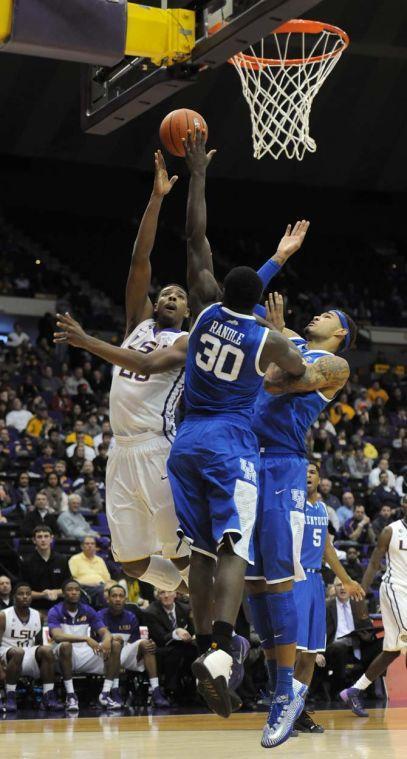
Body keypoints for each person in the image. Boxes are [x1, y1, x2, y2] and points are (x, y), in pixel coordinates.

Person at [165, 131, 307, 736]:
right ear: (261, 304)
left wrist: (197, 174)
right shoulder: (264, 337)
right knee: (232, 548)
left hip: (185, 443)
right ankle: (223, 647)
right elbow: (295, 371)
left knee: (200, 550)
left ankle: (204, 647)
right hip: (230, 446)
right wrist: (283, 347)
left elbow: (196, 239)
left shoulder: (203, 310)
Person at [55, 150, 191, 593]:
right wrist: (156, 199)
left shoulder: (186, 342)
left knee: (182, 552)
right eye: (165, 294)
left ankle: (216, 616)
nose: (169, 297)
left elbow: (148, 364)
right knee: (132, 563)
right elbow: (139, 262)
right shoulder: (138, 325)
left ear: (187, 311)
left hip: (159, 448)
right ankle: (189, 592)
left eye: (178, 296)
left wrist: (88, 342)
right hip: (120, 451)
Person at [245, 292, 356, 744]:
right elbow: (237, 308)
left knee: (277, 577)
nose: (318, 314)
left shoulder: (336, 367)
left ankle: (285, 689)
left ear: (340, 333)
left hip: (282, 465)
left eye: (328, 313)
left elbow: (276, 382)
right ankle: (279, 689)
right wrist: (278, 258)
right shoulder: (288, 338)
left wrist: (278, 340)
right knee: (251, 579)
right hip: (247, 457)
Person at [293, 462, 364, 733]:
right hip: (295, 579)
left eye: (312, 472)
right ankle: (282, 710)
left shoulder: (322, 510)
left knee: (311, 654)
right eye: (303, 472)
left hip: (316, 583)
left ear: (320, 479)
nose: (307, 476)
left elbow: (328, 550)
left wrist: (347, 579)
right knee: (295, 652)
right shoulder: (292, 506)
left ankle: (298, 711)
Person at [340, 497, 407, 716]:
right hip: (395, 588)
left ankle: (354, 691)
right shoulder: (391, 531)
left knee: (392, 651)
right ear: (404, 505)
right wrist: (361, 593)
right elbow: (374, 564)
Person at [48, 579, 122, 711]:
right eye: (70, 590)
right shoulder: (55, 610)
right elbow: (58, 636)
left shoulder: (88, 610)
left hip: (84, 654)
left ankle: (105, 694)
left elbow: (104, 631)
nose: (74, 592)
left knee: (115, 645)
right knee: (66, 645)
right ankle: (71, 695)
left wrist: (106, 639)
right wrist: (86, 638)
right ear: (64, 593)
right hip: (63, 655)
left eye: (77, 590)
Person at [96, 584, 169, 708]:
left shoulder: (131, 617)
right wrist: (113, 640)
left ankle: (156, 690)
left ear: (125, 599)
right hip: (103, 655)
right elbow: (97, 641)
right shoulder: (99, 615)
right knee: (115, 645)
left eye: (121, 596)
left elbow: (133, 642)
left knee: (147, 644)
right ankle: (114, 690)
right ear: (108, 599)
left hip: (125, 653)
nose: (118, 599)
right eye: (114, 596)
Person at [0, 582, 63, 711]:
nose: (25, 597)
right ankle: (10, 695)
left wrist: (47, 661)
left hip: (28, 653)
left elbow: (38, 643)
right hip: (6, 652)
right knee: (18, 652)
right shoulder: (3, 615)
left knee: (46, 650)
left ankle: (48, 695)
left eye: (28, 594)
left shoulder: (38, 615)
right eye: (21, 594)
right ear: (14, 597)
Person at [324, 577, 381, 698]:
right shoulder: (327, 606)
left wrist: (368, 636)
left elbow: (368, 627)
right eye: (339, 585)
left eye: (345, 585)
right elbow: (321, 631)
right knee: (340, 647)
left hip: (357, 645)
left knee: (381, 644)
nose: (343, 588)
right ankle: (338, 691)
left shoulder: (359, 604)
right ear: (334, 588)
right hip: (334, 647)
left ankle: (371, 688)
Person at [144, 588, 196, 700]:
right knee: (176, 652)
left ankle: (196, 689)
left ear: (176, 594)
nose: (166, 596)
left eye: (169, 592)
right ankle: (171, 690)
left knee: (196, 651)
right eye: (162, 593)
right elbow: (160, 638)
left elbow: (192, 631)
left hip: (184, 646)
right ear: (157, 596)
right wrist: (176, 632)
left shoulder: (185, 609)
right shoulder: (151, 612)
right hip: (161, 648)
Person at [20, 526, 71, 611]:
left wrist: (56, 592)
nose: (43, 540)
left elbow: (69, 587)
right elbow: (22, 591)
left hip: (60, 607)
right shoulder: (26, 561)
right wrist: (42, 595)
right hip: (34, 608)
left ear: (51, 539)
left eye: (46, 536)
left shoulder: (62, 559)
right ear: (34, 540)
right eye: (39, 537)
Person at [69, 536, 111, 603]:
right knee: (103, 592)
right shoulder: (74, 559)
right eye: (87, 544)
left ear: (95, 547)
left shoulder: (100, 560)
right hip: (84, 588)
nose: (90, 546)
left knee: (116, 588)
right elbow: (72, 580)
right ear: (82, 546)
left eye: (92, 543)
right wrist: (91, 583)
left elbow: (107, 578)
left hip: (102, 587)